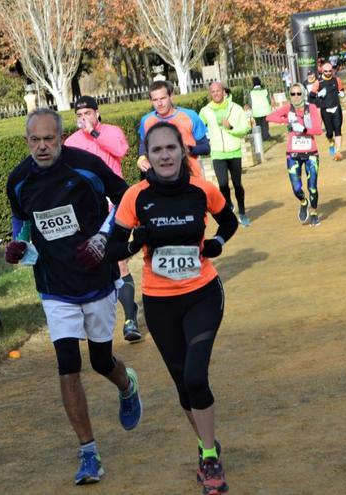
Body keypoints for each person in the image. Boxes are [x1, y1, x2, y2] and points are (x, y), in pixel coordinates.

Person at [99, 122, 238, 495]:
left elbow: (229, 220)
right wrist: (134, 243)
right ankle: (207, 443)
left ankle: (209, 457)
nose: (164, 155)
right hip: (160, 303)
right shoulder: (136, 197)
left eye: (171, 148)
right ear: (148, 156)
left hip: (202, 294)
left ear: (182, 152)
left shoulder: (201, 190)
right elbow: (112, 250)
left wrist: (218, 242)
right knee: (182, 386)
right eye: (157, 150)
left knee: (196, 377)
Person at [5, 109, 142, 486]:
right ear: (26, 141)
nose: (42, 146)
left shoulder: (86, 166)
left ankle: (127, 385)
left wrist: (103, 239)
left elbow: (127, 198)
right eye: (35, 140)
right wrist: (18, 242)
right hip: (54, 284)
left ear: (62, 138)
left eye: (49, 139)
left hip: (96, 278)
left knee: (100, 361)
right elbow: (22, 221)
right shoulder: (18, 179)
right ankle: (88, 453)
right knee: (67, 364)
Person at [64, 95, 142, 343]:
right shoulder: (71, 142)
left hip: (115, 207)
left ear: (97, 113)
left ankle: (130, 319)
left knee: (118, 261)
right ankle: (95, 320)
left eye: (87, 113)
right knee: (93, 260)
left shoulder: (111, 131)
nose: (83, 118)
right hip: (85, 212)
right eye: (79, 115)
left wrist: (94, 134)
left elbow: (121, 150)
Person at [266, 82, 325, 226]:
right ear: (290, 95)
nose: (296, 97)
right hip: (293, 153)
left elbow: (318, 129)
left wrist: (304, 129)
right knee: (296, 187)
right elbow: (270, 117)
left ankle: (314, 212)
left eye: (299, 93)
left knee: (312, 186)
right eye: (293, 94)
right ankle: (303, 202)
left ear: (303, 94)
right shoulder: (288, 109)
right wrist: (288, 121)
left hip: (311, 152)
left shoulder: (310, 108)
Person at [200, 81, 252, 227]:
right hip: (217, 153)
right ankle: (228, 204)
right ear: (210, 94)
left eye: (218, 91)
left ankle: (242, 212)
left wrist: (231, 127)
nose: (216, 94)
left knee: (237, 184)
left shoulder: (235, 108)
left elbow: (245, 128)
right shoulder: (206, 110)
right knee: (222, 185)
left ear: (224, 91)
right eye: (213, 92)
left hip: (234, 151)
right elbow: (198, 127)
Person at [138, 80, 210, 179]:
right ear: (151, 101)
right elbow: (143, 144)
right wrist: (141, 158)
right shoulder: (146, 120)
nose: (159, 103)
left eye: (163, 98)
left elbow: (206, 148)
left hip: (190, 177)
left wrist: (187, 149)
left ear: (171, 97)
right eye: (155, 100)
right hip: (159, 179)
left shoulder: (190, 116)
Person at [311, 62, 345, 161]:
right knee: (329, 132)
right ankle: (331, 142)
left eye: (330, 71)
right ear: (322, 71)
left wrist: (342, 93)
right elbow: (311, 96)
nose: (328, 73)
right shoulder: (318, 82)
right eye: (326, 71)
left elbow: (341, 89)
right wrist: (318, 95)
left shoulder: (336, 79)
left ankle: (338, 151)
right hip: (325, 109)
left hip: (336, 108)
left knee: (338, 129)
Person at [246, 76, 273, 142]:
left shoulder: (251, 92)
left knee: (259, 125)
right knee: (265, 124)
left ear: (253, 84)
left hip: (256, 111)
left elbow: (250, 103)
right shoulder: (265, 90)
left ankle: (260, 137)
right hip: (266, 110)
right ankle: (266, 136)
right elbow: (269, 101)